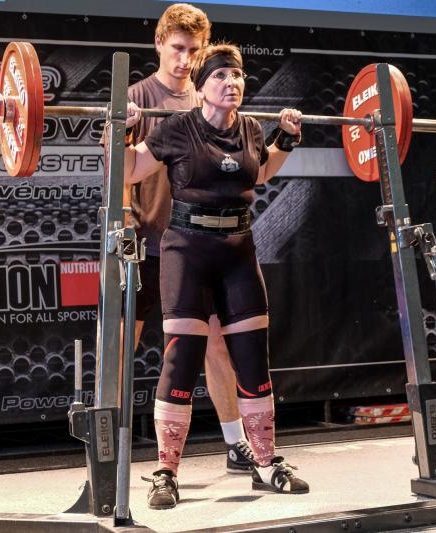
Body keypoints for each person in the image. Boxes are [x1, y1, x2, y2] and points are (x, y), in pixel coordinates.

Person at [125, 42, 309, 509]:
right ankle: (166, 472)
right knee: (182, 360)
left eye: (237, 75)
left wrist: (286, 139)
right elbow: (128, 170)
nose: (232, 83)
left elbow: (260, 172)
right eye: (221, 76)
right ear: (202, 87)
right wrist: (121, 131)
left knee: (252, 360)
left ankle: (265, 463)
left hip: (238, 253)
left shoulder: (250, 128)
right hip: (187, 251)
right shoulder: (178, 128)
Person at [103, 3, 254, 474]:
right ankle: (111, 451)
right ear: (159, 44)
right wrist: (120, 130)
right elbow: (119, 170)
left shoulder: (209, 95)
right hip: (147, 244)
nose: (186, 60)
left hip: (198, 247)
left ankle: (237, 446)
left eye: (194, 50)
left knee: (216, 345)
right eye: (178, 48)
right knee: (121, 346)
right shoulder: (137, 97)